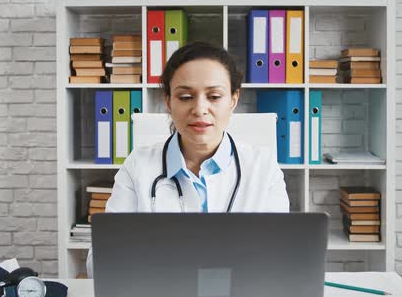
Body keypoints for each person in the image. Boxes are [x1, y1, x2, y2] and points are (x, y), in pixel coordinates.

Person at [86, 41, 289, 277]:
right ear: (169, 101)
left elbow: (278, 259)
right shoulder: (138, 166)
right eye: (185, 96)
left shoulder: (263, 167)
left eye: (214, 96)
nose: (200, 108)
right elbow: (99, 264)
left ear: (233, 99)